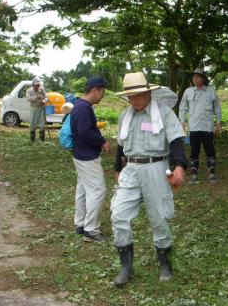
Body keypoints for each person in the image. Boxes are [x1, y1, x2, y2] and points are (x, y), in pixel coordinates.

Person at [111, 71, 187, 286]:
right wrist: (118, 168)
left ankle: (165, 264)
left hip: (157, 167)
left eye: (138, 95)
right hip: (131, 170)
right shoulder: (124, 116)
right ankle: (126, 266)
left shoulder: (163, 113)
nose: (134, 100)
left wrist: (179, 166)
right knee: (118, 215)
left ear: (148, 93)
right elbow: (120, 145)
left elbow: (176, 141)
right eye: (130, 97)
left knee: (159, 218)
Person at [70, 76, 110, 242]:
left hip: (80, 154)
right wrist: (102, 141)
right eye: (102, 93)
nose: (102, 96)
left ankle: (80, 224)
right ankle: (91, 230)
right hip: (87, 156)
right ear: (96, 90)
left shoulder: (80, 106)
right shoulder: (84, 108)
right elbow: (85, 131)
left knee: (83, 190)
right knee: (98, 191)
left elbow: (83, 130)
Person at [179, 68, 222, 184]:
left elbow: (217, 107)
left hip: (207, 127)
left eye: (198, 76)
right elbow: (183, 107)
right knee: (194, 151)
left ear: (203, 79)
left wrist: (218, 122)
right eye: (194, 77)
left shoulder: (211, 91)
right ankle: (194, 175)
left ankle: (212, 173)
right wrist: (182, 121)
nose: (195, 79)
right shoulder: (188, 91)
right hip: (193, 127)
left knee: (210, 150)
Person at [26, 77, 49, 142]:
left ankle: (42, 140)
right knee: (33, 124)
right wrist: (36, 97)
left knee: (42, 124)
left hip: (41, 108)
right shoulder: (29, 90)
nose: (38, 86)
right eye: (36, 85)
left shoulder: (42, 90)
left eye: (38, 85)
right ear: (33, 85)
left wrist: (44, 101)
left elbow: (47, 97)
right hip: (34, 108)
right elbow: (28, 98)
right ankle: (32, 140)